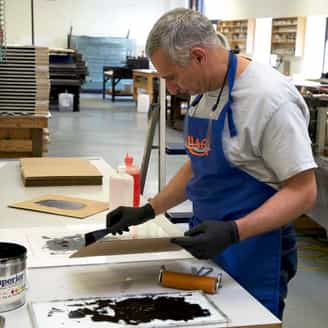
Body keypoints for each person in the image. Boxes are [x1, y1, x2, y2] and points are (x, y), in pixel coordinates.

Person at [106, 8, 317, 319]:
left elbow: (303, 191)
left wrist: (233, 232)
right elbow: (199, 162)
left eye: (173, 77)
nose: (173, 88)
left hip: (256, 249)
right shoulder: (205, 89)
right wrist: (149, 209)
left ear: (199, 56)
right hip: (209, 241)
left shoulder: (269, 100)